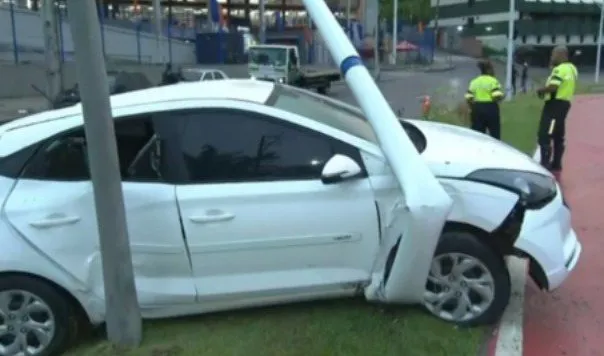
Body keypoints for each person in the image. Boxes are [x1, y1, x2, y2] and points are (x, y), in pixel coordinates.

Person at [536, 45, 578, 171]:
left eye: (553, 55)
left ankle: (545, 164)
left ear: (562, 55)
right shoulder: (572, 69)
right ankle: (557, 163)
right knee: (558, 134)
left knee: (545, 133)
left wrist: (541, 90)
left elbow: (554, 87)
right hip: (565, 103)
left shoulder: (559, 70)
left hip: (554, 105)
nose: (552, 57)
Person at [464, 60, 505, 139]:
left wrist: (473, 107)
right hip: (491, 108)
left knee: (477, 136)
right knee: (494, 135)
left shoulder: (474, 81)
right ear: (489, 70)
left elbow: (468, 97)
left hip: (477, 108)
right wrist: (502, 97)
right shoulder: (493, 81)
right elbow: (496, 95)